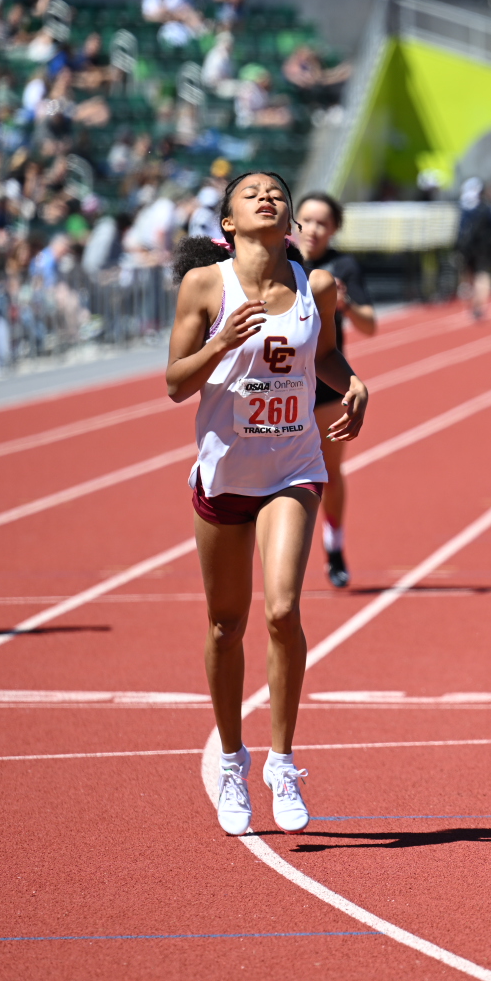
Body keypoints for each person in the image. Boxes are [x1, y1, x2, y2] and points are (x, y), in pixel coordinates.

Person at [166, 172, 368, 836]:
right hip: (225, 473)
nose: (266, 196)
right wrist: (220, 343)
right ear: (228, 223)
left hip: (293, 467)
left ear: (289, 223)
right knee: (226, 625)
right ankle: (232, 762)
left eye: (275, 193)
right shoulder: (205, 286)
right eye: (250, 192)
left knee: (282, 609)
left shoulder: (315, 288)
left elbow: (327, 359)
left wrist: (355, 385)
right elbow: (174, 384)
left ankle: (282, 762)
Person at [294, 192, 376, 587]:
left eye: (321, 223)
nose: (312, 229)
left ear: (334, 229)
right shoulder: (281, 263)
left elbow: (370, 325)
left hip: (326, 383)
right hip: (285, 381)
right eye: (306, 220)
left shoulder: (342, 266)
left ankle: (335, 545)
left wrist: (344, 304)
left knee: (328, 470)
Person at [456, 177, 491, 317]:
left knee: (470, 274)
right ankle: (479, 305)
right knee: (482, 275)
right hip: (484, 248)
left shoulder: (462, 208)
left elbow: (458, 230)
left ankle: (473, 301)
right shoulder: (486, 209)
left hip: (468, 246)